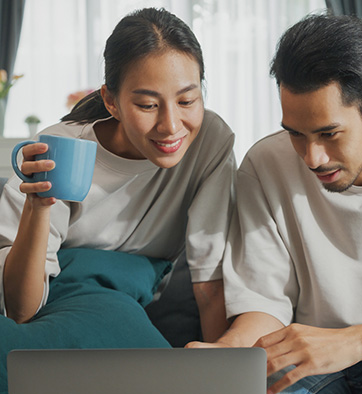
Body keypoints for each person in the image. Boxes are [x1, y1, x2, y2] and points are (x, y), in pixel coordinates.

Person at [188, 13, 362, 394]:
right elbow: (264, 301)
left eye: (329, 133)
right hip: (305, 368)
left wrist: (355, 343)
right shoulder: (266, 164)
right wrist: (230, 352)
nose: (312, 158)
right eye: (296, 133)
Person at [0, 7, 235, 343]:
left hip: (123, 302)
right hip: (55, 301)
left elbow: (210, 278)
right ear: (111, 100)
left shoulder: (210, 142)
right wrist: (37, 207)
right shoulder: (60, 149)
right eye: (148, 105)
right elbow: (20, 309)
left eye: (187, 100)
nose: (170, 126)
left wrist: (221, 371)